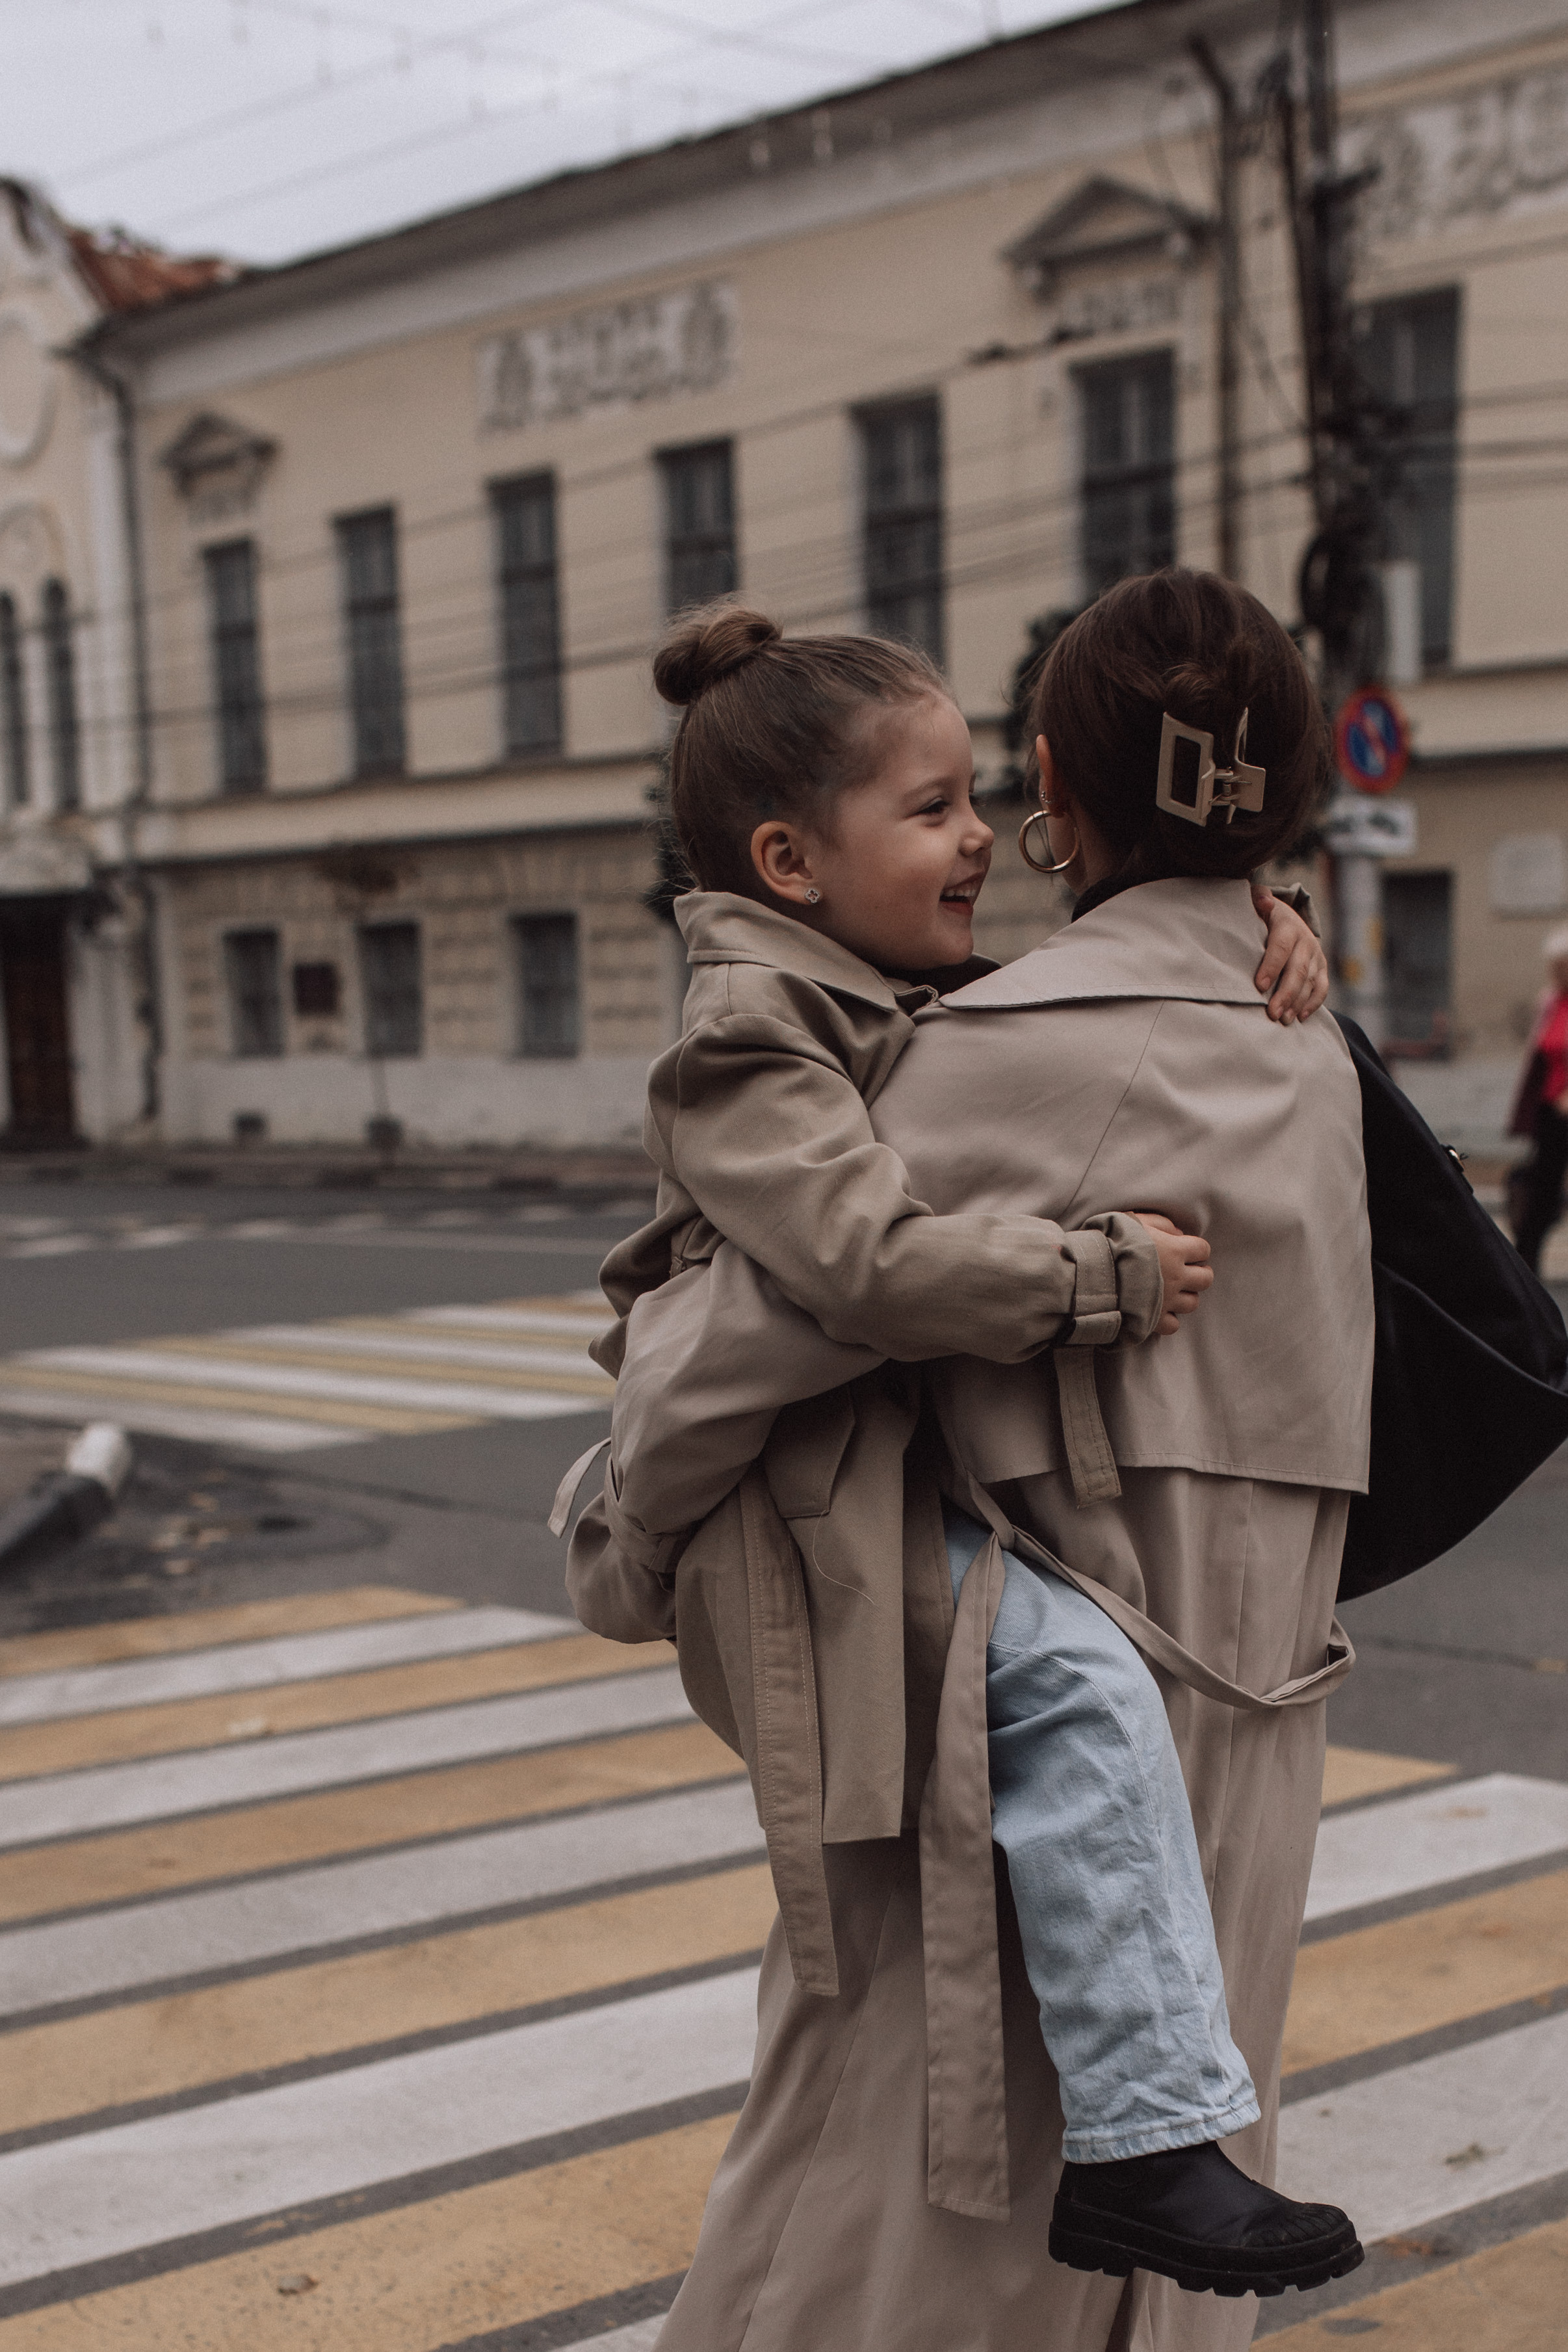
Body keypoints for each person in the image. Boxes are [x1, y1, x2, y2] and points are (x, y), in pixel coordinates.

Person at [592, 571, 1374, 2351]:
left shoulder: (995, 1053)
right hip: (1231, 1753)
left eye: (971, 802)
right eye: (925, 808)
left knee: (858, 2226)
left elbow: (718, 1362)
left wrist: (613, 1538)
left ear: (1049, 789)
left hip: (979, 1797)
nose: (962, 839)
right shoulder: (1303, 1034)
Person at [1508, 924, 1568, 1275]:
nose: (1558, 972)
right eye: (1555, 966)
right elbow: (1539, 1057)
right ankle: (1526, 1273)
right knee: (1539, 1195)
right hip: (1550, 1112)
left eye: (1563, 965)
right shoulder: (1550, 1002)